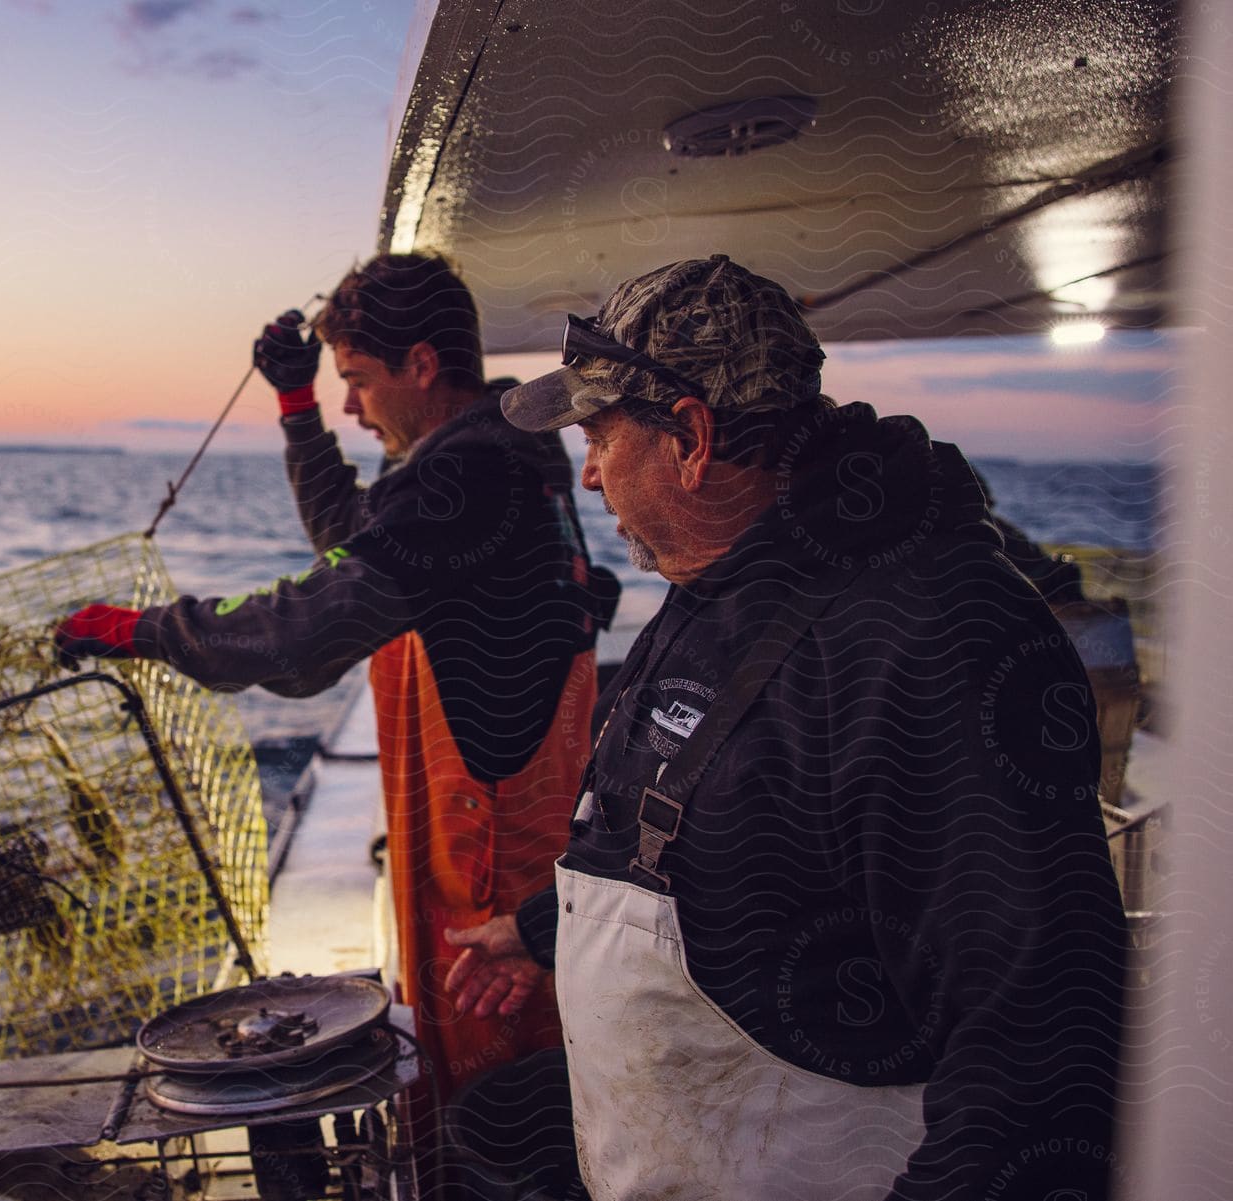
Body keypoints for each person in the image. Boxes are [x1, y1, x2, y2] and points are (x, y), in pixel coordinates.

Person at [444, 255, 1128, 1201]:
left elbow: (1041, 1046)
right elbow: (729, 840)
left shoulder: (930, 639)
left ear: (690, 435)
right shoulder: (726, 573)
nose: (591, 476)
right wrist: (538, 931)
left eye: (599, 435)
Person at [56, 252, 620, 1103]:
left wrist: (141, 629)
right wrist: (295, 406)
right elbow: (354, 538)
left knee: (508, 1093)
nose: (351, 407)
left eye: (355, 381)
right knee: (525, 1073)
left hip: (494, 856)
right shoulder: (490, 447)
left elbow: (305, 632)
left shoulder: (468, 476)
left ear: (421, 364)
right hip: (512, 829)